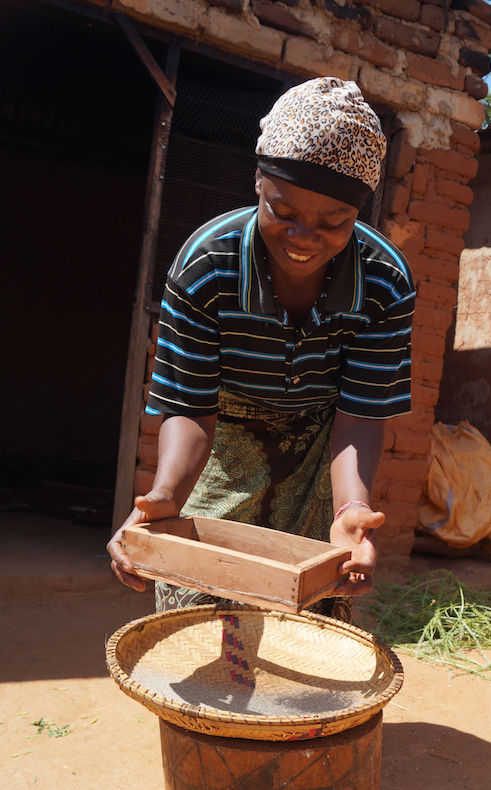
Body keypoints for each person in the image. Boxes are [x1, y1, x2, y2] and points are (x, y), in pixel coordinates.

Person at [108, 76, 415, 620]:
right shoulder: (206, 267)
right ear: (257, 181)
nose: (303, 236)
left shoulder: (385, 283)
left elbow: (360, 417)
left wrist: (352, 507)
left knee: (313, 608)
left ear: (360, 212)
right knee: (197, 606)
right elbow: (190, 408)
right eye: (283, 210)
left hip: (325, 449)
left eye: (334, 221)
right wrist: (167, 497)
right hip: (221, 443)